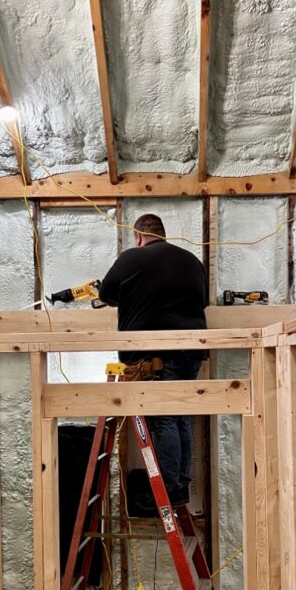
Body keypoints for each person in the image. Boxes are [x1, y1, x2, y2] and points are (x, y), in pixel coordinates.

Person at [98, 214, 208, 508]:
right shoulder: (192, 261)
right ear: (163, 234)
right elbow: (202, 302)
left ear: (138, 237)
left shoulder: (132, 258)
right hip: (194, 351)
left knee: (164, 420)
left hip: (159, 354)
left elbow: (106, 294)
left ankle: (170, 489)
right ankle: (180, 485)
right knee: (180, 415)